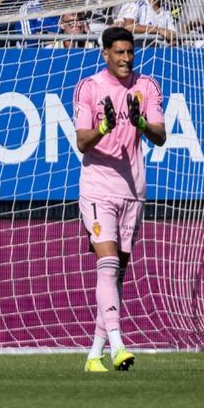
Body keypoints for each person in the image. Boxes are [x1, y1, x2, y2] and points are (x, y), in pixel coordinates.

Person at [73, 26, 166, 372]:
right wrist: (103, 128)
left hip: (133, 188)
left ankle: (94, 355)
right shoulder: (90, 87)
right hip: (98, 186)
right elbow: (82, 141)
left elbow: (161, 136)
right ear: (106, 54)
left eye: (130, 52)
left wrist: (141, 122)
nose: (127, 59)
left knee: (117, 273)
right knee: (108, 264)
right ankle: (118, 347)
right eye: (119, 53)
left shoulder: (147, 86)